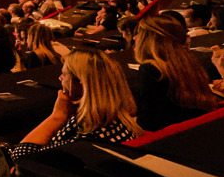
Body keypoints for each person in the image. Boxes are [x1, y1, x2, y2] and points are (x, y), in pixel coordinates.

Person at [11, 50, 141, 161]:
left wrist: (57, 116)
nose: (60, 78)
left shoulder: (87, 139)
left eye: (64, 74)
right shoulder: (117, 122)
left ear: (81, 87)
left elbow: (21, 158)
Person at [131, 16, 219, 131]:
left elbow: (148, 122)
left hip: (170, 135)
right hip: (197, 128)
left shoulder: (150, 69)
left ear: (151, 39)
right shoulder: (188, 61)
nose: (134, 37)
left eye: (140, 33)